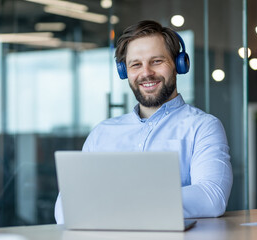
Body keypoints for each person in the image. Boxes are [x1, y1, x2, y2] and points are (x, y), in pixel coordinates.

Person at [54, 20, 232, 223]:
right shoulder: (102, 133)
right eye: (136, 64)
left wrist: (115, 204)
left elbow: (211, 197)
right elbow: (65, 208)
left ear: (179, 64)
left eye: (156, 61)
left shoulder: (203, 127)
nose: (146, 72)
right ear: (124, 72)